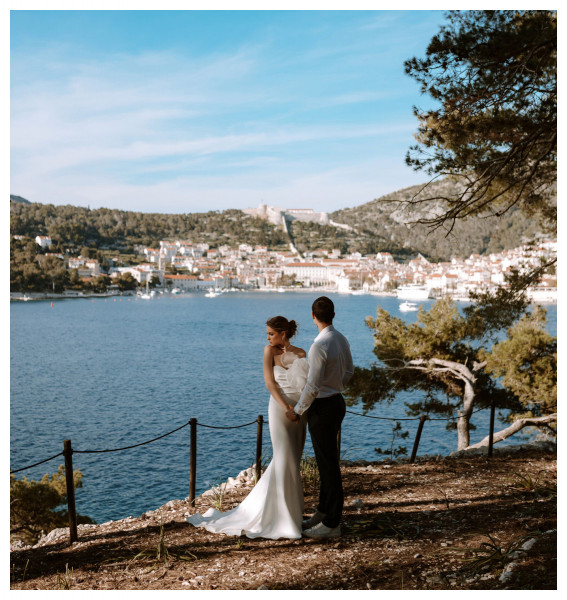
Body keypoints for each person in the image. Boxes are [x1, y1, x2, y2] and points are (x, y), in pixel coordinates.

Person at [187, 316, 309, 539]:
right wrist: (286, 408)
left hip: (300, 411)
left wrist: (299, 409)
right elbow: (270, 384)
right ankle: (282, 518)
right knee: (283, 457)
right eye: (267, 334)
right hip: (280, 409)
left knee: (293, 460)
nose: (267, 337)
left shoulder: (301, 353)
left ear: (283, 333)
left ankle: (291, 514)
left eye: (271, 333)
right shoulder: (268, 351)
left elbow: (306, 385)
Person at [286, 296, 353, 539]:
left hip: (323, 407)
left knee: (328, 465)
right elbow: (349, 371)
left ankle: (332, 523)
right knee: (327, 461)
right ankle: (323, 513)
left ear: (313, 316)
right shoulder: (341, 338)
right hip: (337, 402)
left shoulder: (319, 346)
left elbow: (312, 386)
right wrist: (335, 386)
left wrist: (297, 410)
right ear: (333, 315)